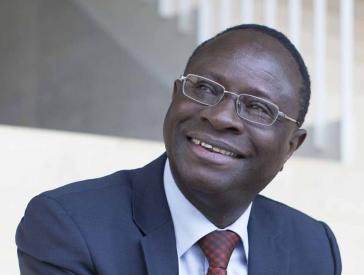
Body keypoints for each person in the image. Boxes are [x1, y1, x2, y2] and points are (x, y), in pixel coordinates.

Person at [16, 24, 342, 275]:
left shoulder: (313, 248)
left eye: (257, 108)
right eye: (204, 88)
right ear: (175, 96)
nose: (218, 117)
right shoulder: (69, 226)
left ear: (290, 146)